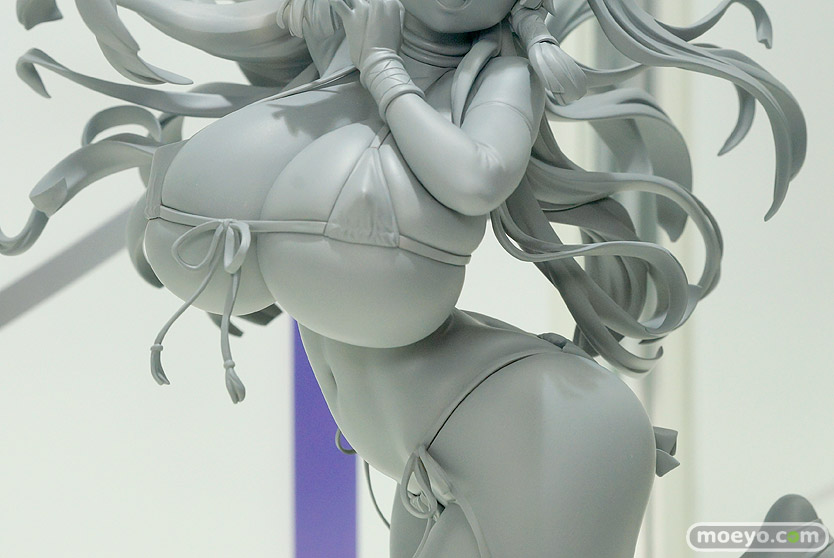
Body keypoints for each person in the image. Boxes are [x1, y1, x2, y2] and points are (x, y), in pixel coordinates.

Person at [4, 0, 821, 556]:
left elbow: (478, 176)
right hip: (436, 460)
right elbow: (209, 27)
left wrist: (385, 74)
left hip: (532, 434)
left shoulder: (497, 76)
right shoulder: (339, 38)